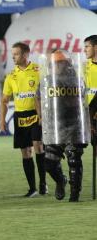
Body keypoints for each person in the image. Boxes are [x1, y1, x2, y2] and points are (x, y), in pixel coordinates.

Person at [0, 42, 47, 197]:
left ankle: (43, 184)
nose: (13, 56)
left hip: (36, 114)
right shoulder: (10, 76)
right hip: (20, 116)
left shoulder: (38, 71)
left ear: (26, 54)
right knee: (26, 152)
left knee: (38, 146)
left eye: (16, 54)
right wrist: (1, 120)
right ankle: (32, 188)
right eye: (12, 54)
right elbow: (5, 100)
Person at [41, 50, 88, 202]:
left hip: (73, 124)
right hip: (55, 126)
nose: (55, 66)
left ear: (66, 63)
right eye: (53, 64)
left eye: (58, 63)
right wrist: (42, 116)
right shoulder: (48, 80)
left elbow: (80, 102)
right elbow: (38, 98)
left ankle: (75, 194)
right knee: (49, 163)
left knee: (74, 160)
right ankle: (61, 181)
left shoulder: (76, 80)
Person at [84, 35, 97, 144]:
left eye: (87, 47)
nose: (84, 50)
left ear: (96, 47)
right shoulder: (83, 67)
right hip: (91, 116)